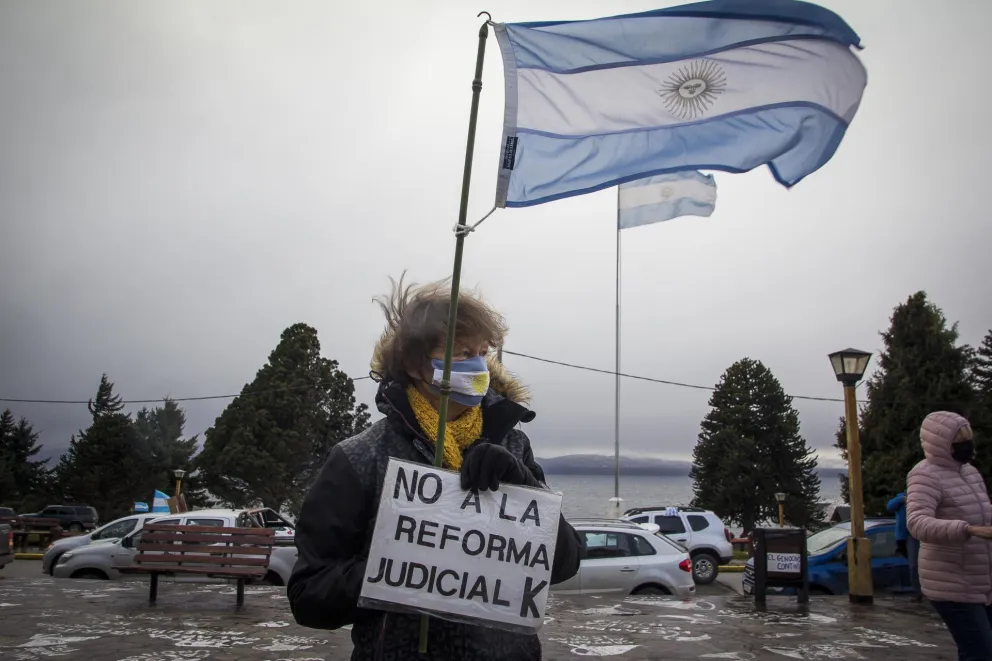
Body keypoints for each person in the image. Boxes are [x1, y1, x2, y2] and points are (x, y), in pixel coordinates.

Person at [287, 276, 584, 661]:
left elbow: (565, 563)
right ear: (414, 364)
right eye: (461, 353)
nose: (478, 365)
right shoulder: (359, 457)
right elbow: (309, 596)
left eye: (481, 351)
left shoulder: (513, 444)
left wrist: (523, 487)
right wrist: (400, 571)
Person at [908, 411, 992, 661]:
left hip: (982, 580)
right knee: (982, 654)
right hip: (951, 582)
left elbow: (982, 511)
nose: (967, 444)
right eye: (960, 439)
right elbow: (916, 522)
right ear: (940, 442)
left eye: (969, 436)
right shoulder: (924, 474)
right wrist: (966, 529)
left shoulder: (970, 473)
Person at [887, 491, 921, 600]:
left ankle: (918, 593)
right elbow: (889, 507)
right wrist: (903, 499)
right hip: (903, 537)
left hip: (915, 535)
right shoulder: (901, 498)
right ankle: (918, 593)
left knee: (914, 566)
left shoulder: (921, 497)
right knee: (913, 566)